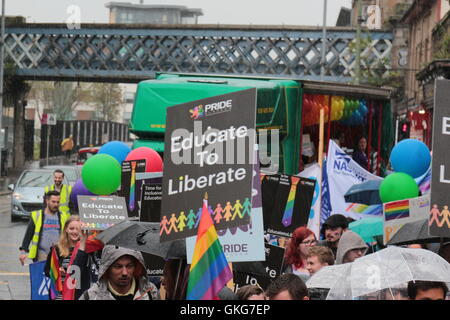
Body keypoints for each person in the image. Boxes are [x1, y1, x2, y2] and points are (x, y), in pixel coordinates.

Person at [79, 245, 159, 300]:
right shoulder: (92, 296)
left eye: (129, 266)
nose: (124, 273)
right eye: (118, 267)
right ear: (107, 269)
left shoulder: (151, 293)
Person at [19, 191, 70, 264]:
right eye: (53, 202)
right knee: (42, 275)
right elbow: (28, 235)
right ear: (47, 201)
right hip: (41, 253)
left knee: (55, 275)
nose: (56, 204)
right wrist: (23, 252)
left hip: (58, 254)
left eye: (58, 202)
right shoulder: (37, 215)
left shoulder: (64, 216)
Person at [44, 215, 81, 300]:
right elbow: (47, 271)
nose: (75, 232)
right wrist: (57, 273)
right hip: (60, 294)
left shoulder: (86, 250)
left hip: (79, 294)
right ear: (66, 229)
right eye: (71, 228)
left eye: (78, 229)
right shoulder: (57, 249)